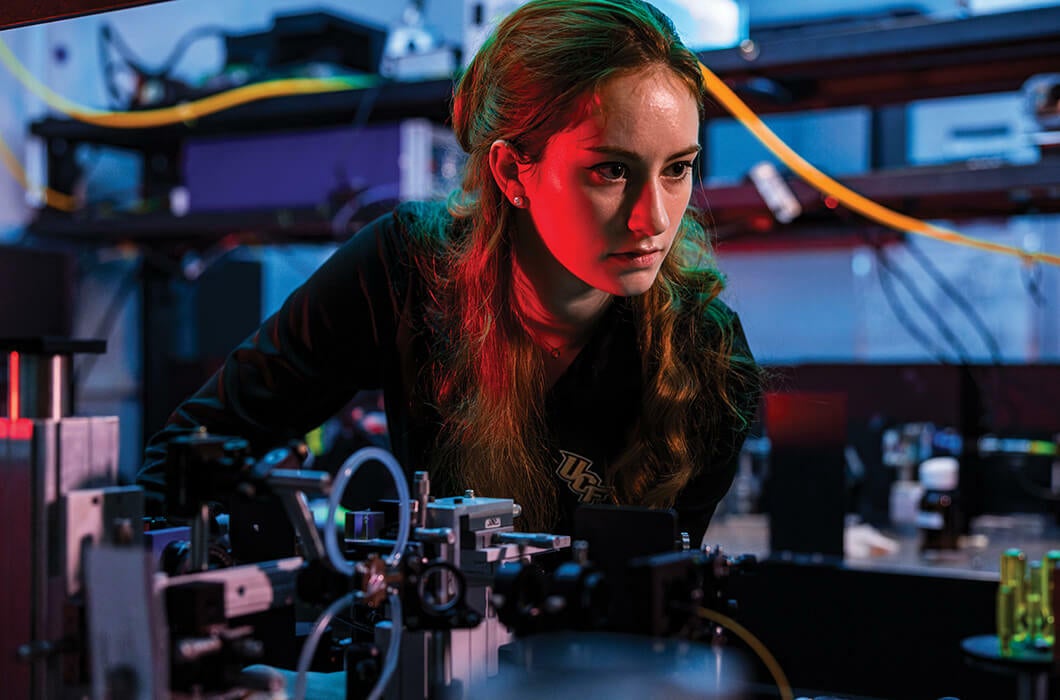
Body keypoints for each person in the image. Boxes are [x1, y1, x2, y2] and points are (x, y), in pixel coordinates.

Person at [137, 0, 761, 546]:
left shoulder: (707, 358)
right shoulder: (406, 266)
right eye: (611, 171)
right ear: (514, 173)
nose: (652, 218)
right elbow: (194, 454)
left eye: (677, 169)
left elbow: (666, 619)